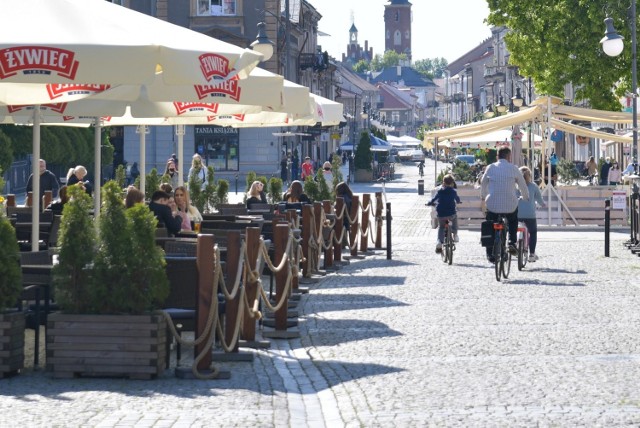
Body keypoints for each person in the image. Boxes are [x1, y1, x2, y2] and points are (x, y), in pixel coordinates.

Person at [480, 146, 529, 262]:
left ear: (498, 156)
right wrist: (526, 197)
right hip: (510, 205)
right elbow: (523, 185)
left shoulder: (490, 168)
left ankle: (489, 252)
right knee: (512, 220)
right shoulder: (514, 168)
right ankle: (512, 242)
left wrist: (484, 196)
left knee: (490, 223)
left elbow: (483, 184)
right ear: (509, 156)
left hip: (492, 205)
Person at [517, 167, 546, 262]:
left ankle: (514, 245)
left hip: (517, 215)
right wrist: (543, 204)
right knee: (533, 232)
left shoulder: (515, 186)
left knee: (513, 230)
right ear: (529, 176)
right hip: (530, 215)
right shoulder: (533, 186)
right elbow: (539, 198)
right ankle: (532, 254)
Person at [427, 174, 460, 253]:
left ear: (443, 182)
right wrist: (458, 201)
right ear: (452, 183)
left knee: (441, 227)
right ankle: (455, 234)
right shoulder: (453, 191)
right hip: (451, 214)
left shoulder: (440, 191)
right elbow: (458, 200)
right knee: (455, 218)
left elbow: (433, 199)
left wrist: (429, 203)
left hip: (441, 214)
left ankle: (439, 242)